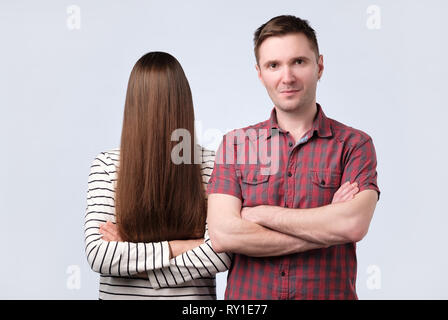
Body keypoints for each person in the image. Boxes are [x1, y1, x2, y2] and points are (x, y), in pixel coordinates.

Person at [207, 15, 380, 300]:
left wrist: (260, 214)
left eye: (298, 62)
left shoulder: (355, 145)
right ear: (260, 73)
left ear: (319, 66)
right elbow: (225, 235)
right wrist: (324, 227)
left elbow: (352, 225)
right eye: (273, 65)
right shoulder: (235, 145)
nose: (287, 77)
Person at [84, 51, 231, 300]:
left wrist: (129, 248)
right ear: (184, 102)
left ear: (132, 104)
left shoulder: (212, 163)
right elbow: (100, 255)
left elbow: (221, 254)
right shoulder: (108, 164)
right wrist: (182, 246)